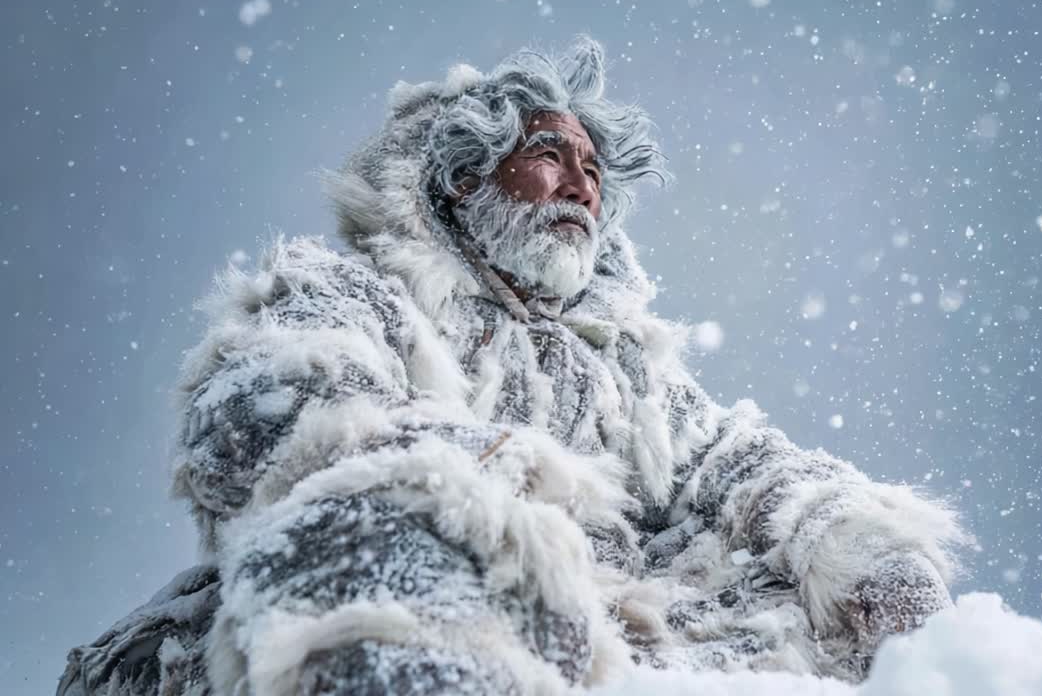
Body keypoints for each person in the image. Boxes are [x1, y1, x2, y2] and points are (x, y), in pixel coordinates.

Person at [58, 37, 967, 696]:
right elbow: (277, 404)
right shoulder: (358, 291)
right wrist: (497, 492)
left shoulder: (626, 371)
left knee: (803, 594)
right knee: (406, 503)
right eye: (549, 155)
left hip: (621, 635)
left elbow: (736, 463)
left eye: (594, 172)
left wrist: (857, 544)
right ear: (464, 179)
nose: (583, 183)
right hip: (410, 594)